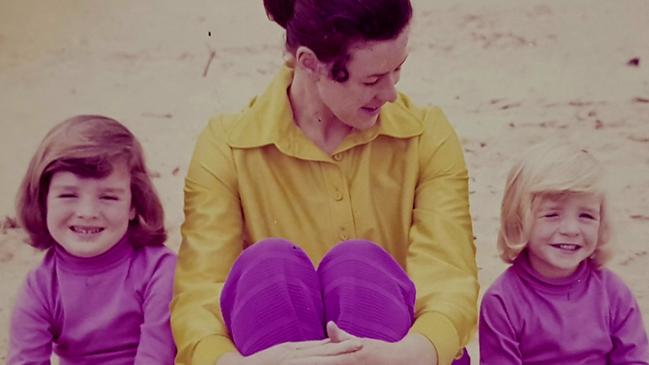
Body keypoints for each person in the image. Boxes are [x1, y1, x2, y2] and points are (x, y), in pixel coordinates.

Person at [171, 1, 478, 364]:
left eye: (398, 70)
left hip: (399, 354)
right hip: (271, 355)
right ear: (309, 63)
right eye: (372, 79)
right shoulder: (226, 144)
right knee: (269, 263)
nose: (391, 93)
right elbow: (200, 294)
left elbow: (449, 275)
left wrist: (412, 353)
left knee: (357, 263)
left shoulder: (427, 134)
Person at [7, 115, 177, 364]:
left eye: (108, 197)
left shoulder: (160, 270)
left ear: (133, 205)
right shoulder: (40, 289)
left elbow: (157, 357)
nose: (87, 212)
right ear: (43, 201)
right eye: (68, 195)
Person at [479, 141, 649, 364]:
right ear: (519, 220)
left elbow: (634, 359)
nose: (571, 230)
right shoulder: (502, 301)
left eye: (586, 216)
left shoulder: (613, 293)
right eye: (552, 215)